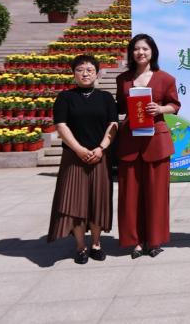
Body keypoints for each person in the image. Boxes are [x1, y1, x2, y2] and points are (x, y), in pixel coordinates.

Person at [48, 54, 118, 264]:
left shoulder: (106, 98)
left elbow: (113, 124)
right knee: (76, 202)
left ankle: (96, 243)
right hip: (74, 158)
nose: (85, 73)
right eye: (80, 70)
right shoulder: (65, 97)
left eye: (89, 70)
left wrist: (101, 148)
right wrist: (78, 149)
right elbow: (61, 125)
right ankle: (80, 246)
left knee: (98, 201)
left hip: (100, 157)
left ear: (96, 73)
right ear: (73, 74)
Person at [116, 34, 180, 258]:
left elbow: (175, 105)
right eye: (136, 49)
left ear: (153, 52)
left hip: (156, 142)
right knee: (130, 195)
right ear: (131, 53)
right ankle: (134, 241)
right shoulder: (122, 79)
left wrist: (160, 109)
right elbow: (120, 107)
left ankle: (154, 240)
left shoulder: (165, 78)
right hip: (130, 142)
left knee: (157, 194)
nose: (140, 52)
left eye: (145, 48)